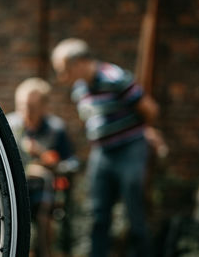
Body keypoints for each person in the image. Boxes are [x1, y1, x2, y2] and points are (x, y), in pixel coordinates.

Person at [51, 38, 161, 257]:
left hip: (130, 149)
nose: (62, 78)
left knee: (134, 214)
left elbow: (150, 109)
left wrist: (143, 133)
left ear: (81, 62)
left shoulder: (116, 79)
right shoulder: (80, 89)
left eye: (64, 70)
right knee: (98, 215)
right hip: (101, 153)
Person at [0, 77, 77, 257]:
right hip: (7, 191)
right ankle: (14, 251)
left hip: (40, 193)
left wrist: (44, 157)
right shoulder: (8, 124)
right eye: (22, 105)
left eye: (31, 107)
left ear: (44, 106)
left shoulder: (56, 128)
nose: (26, 111)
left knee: (46, 219)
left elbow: (71, 163)